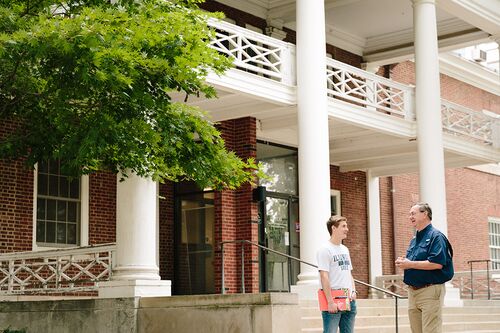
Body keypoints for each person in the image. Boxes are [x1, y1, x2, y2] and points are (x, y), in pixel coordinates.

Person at [395, 203, 454, 333]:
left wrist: (409, 264)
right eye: (409, 214)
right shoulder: (414, 239)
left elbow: (437, 263)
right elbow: (414, 261)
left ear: (425, 214)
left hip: (430, 291)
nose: (410, 217)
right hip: (413, 293)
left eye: (413, 213)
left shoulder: (436, 237)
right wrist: (403, 262)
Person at [316, 215, 357, 333]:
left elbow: (349, 273)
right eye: (343, 226)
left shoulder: (345, 249)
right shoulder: (324, 249)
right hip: (333, 300)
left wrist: (353, 291)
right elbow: (324, 276)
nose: (347, 229)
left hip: (349, 300)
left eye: (346, 226)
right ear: (334, 228)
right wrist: (330, 302)